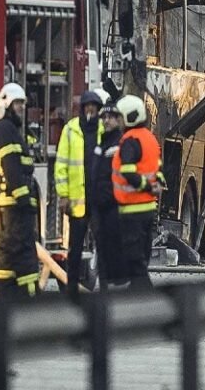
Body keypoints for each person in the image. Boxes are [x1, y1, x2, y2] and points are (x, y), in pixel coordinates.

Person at [0, 82, 40, 299]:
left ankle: (7, 299)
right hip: (15, 210)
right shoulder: (6, 130)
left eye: (22, 104)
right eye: (17, 104)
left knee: (8, 259)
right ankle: (27, 301)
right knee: (24, 257)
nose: (21, 109)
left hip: (9, 211)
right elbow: (12, 168)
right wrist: (24, 200)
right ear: (5, 105)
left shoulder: (4, 130)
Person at [110, 94, 165, 290]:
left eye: (120, 117)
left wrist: (146, 186)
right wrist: (156, 185)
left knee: (135, 259)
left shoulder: (129, 140)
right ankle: (138, 295)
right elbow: (157, 169)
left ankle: (145, 296)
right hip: (149, 208)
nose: (118, 121)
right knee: (142, 255)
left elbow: (128, 172)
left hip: (132, 208)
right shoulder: (150, 138)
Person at [54, 89, 104, 300]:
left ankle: (105, 290)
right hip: (78, 203)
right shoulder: (71, 129)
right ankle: (71, 291)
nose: (90, 110)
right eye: (87, 106)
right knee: (74, 250)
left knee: (103, 247)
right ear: (83, 108)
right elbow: (61, 164)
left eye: (94, 106)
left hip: (99, 201)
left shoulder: (103, 130)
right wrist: (63, 195)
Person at [91, 100, 125, 291]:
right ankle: (105, 286)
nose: (106, 121)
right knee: (101, 247)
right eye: (104, 117)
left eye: (110, 117)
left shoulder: (119, 144)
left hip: (113, 206)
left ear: (118, 120)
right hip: (99, 206)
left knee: (112, 248)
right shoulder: (102, 143)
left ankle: (113, 288)